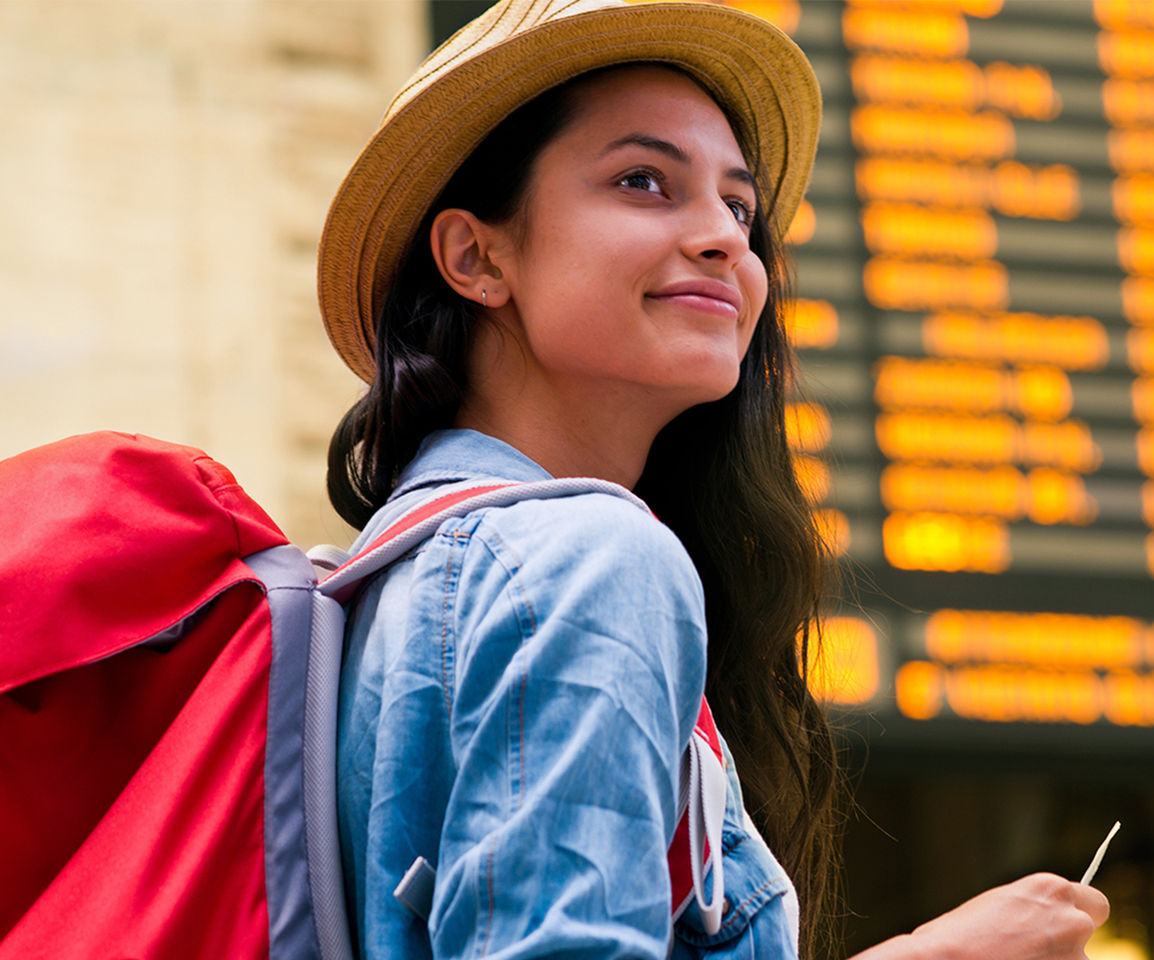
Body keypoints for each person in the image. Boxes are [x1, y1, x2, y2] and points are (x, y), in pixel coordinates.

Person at [317, 1, 1111, 958]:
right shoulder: (589, 560)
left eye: (739, 207)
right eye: (644, 180)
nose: (726, 239)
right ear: (477, 256)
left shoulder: (384, 581)